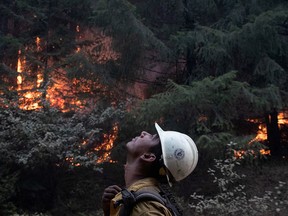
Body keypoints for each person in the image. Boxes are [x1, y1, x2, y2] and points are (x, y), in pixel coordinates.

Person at [102, 123, 198, 216]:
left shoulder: (145, 208)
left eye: (153, 138)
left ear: (148, 157)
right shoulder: (140, 202)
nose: (144, 133)